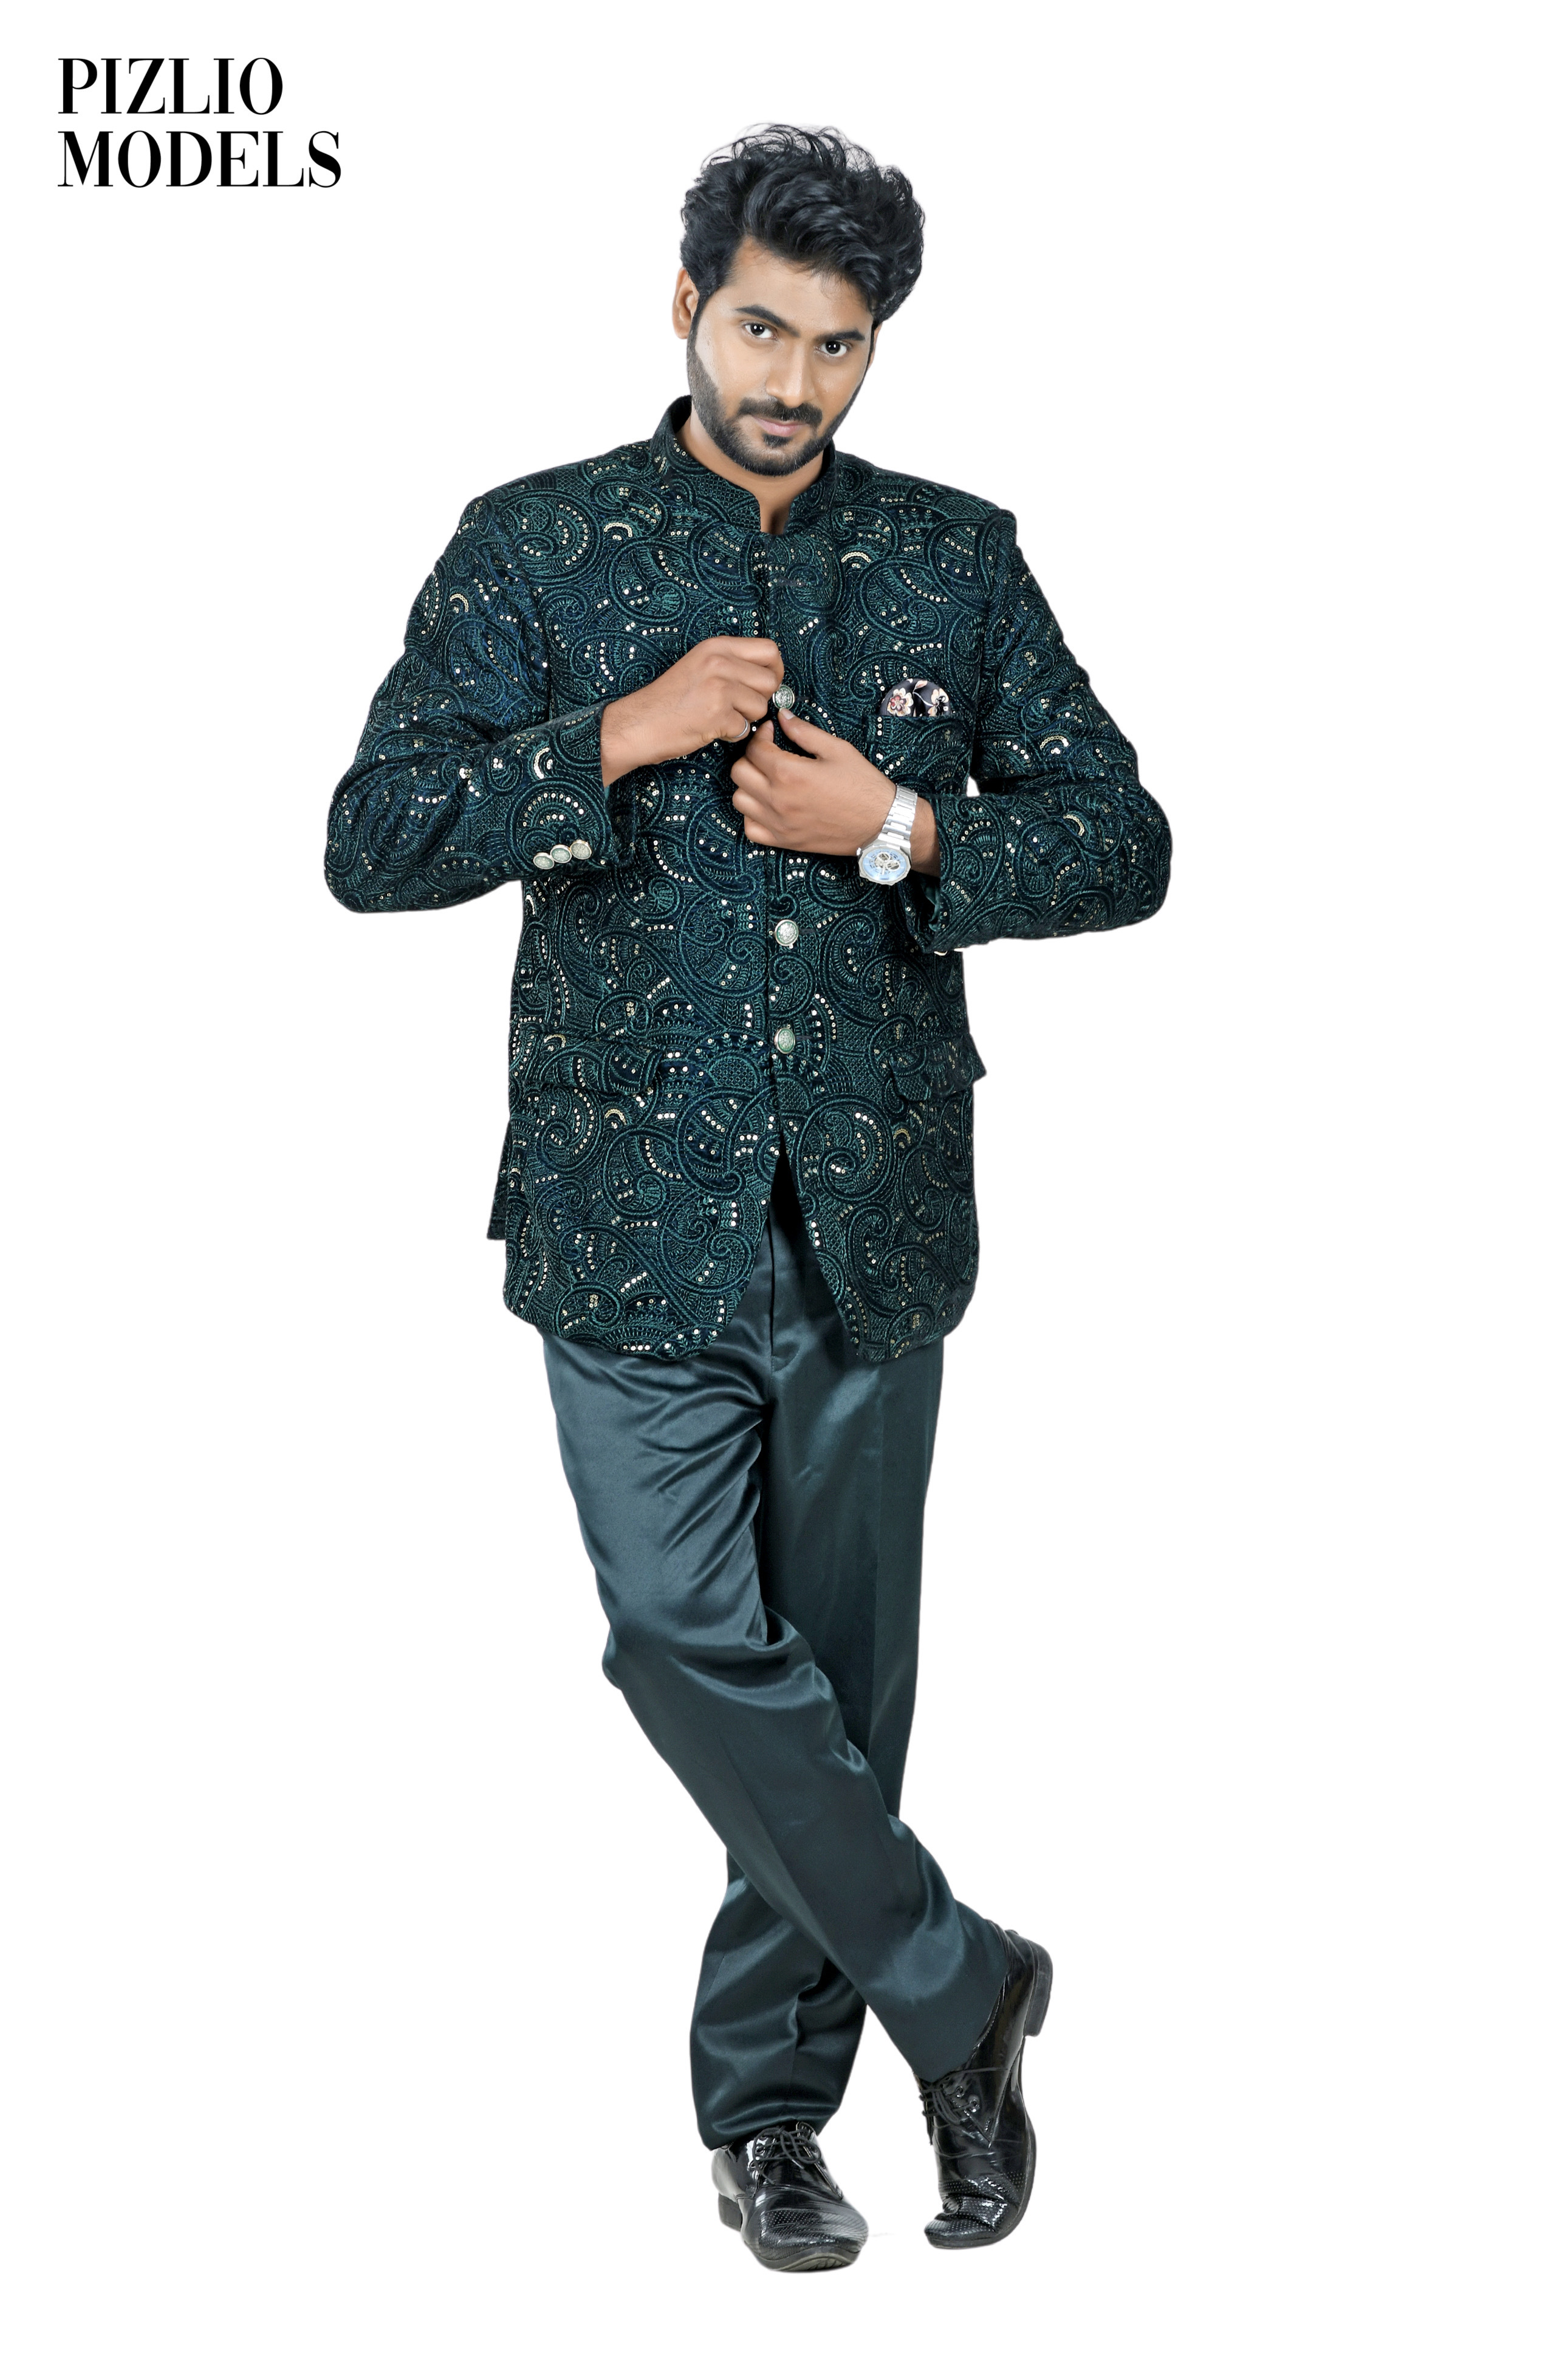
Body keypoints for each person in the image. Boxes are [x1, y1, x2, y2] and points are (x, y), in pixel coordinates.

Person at [326, 123, 1171, 2270]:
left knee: (838, 1694)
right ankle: (964, 1989)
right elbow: (371, 835)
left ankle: (772, 2117)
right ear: (686, 302)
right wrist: (607, 738)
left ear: (879, 348)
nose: (793, 380)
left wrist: (904, 825)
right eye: (764, 328)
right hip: (624, 1213)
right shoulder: (538, 546)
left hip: (876, 1219)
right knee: (687, 1638)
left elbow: (1126, 838)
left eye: (839, 345)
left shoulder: (958, 559)